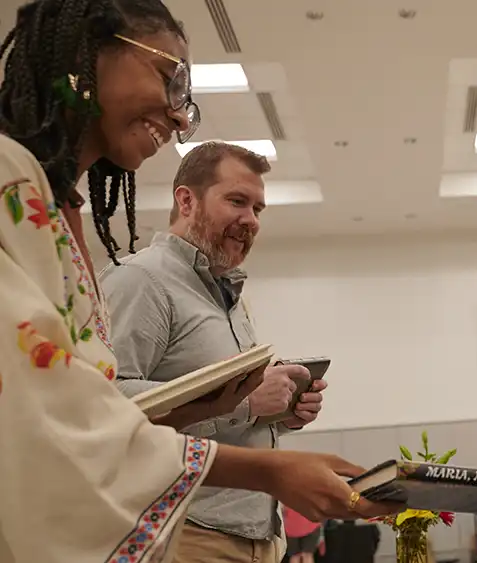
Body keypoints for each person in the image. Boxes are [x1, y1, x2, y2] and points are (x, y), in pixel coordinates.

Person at [0, 1, 393, 561]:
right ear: (88, 53)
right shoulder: (14, 182)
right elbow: (62, 415)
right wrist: (264, 458)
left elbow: (98, 410)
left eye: (258, 208)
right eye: (168, 76)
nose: (181, 116)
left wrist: (268, 417)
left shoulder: (64, 211)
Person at [100, 141, 322, 562]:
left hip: (259, 536)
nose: (250, 219)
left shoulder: (227, 293)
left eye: (258, 209)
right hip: (187, 534)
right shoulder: (140, 280)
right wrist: (245, 401)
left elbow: (221, 414)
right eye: (237, 201)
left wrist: (282, 412)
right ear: (187, 201)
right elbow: (106, 402)